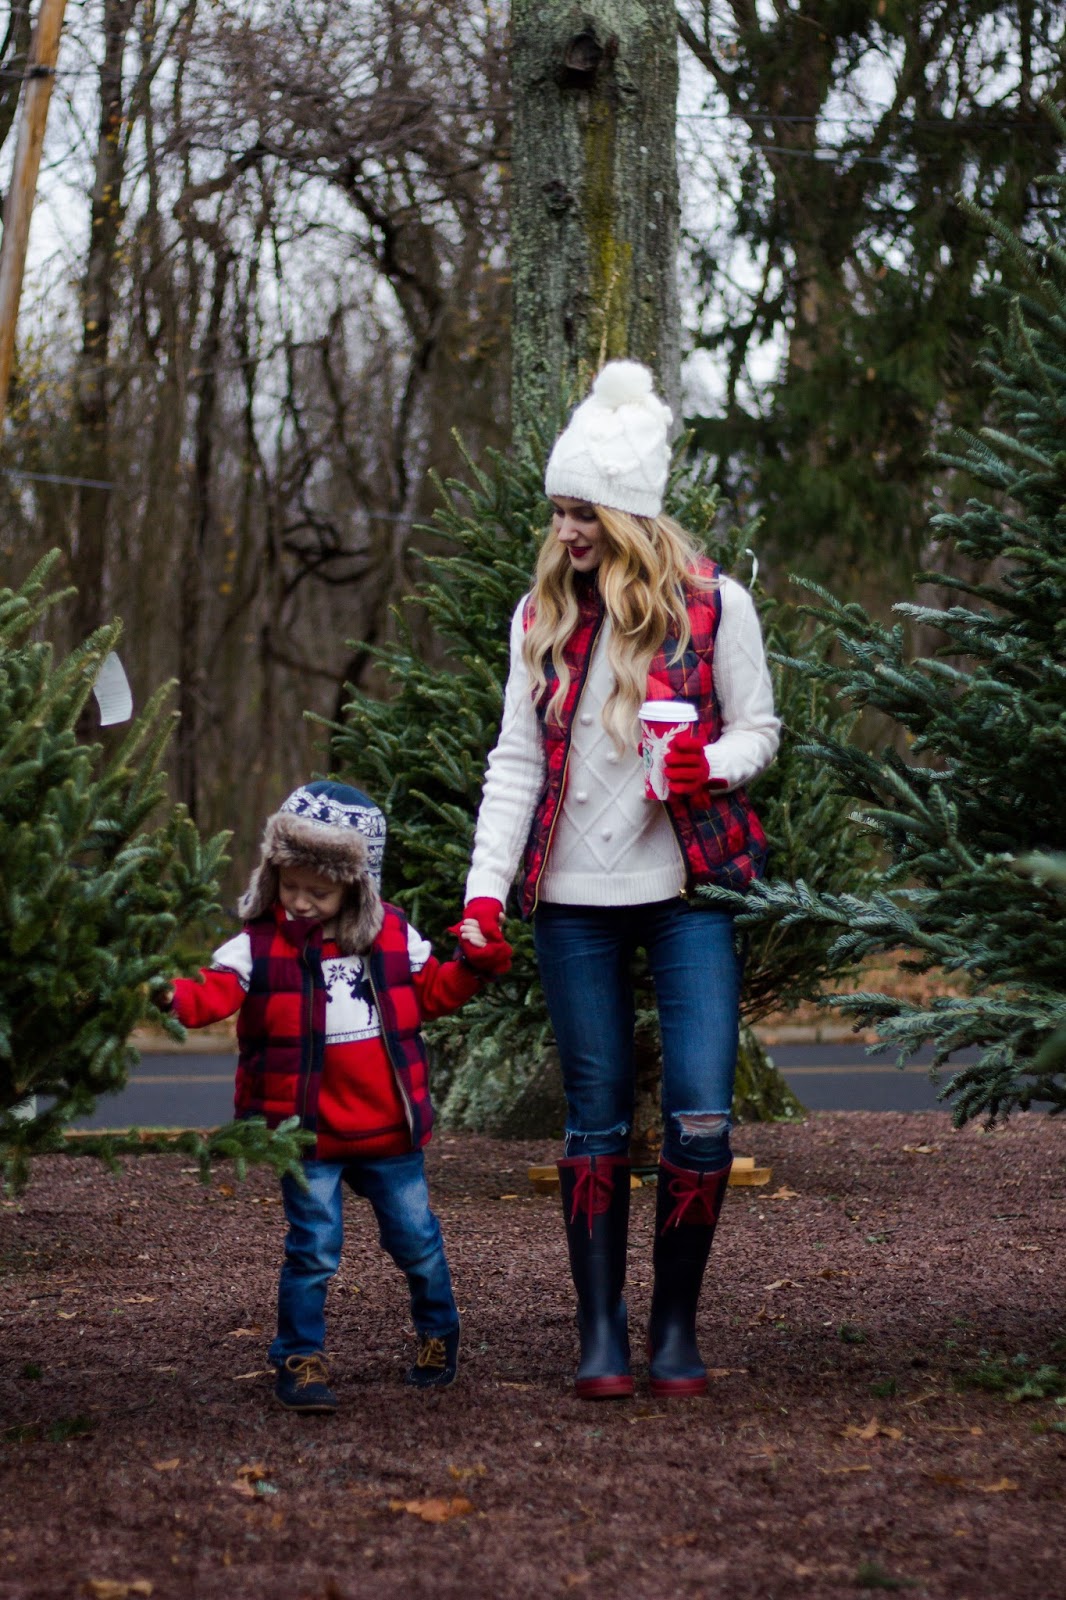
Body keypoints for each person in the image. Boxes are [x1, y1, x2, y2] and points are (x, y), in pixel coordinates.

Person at [459, 361, 779, 1400]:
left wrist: (707, 765)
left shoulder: (715, 606)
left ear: (631, 513)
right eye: (557, 513)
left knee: (700, 1118)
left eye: (583, 513)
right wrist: (481, 891)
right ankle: (600, 1331)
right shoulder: (537, 620)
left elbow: (759, 734)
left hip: (688, 895)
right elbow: (514, 763)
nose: (566, 534)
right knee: (592, 1120)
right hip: (570, 907)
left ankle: (673, 1329)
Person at [163, 779, 510, 1413]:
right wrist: (170, 997)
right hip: (307, 1137)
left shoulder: (395, 936)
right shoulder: (257, 946)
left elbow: (432, 992)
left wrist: (476, 965)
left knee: (416, 1239)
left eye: (317, 891)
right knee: (313, 1250)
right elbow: (211, 995)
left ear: (356, 886)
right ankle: (299, 1357)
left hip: (388, 1132)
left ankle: (438, 1334)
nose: (299, 902)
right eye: (288, 885)